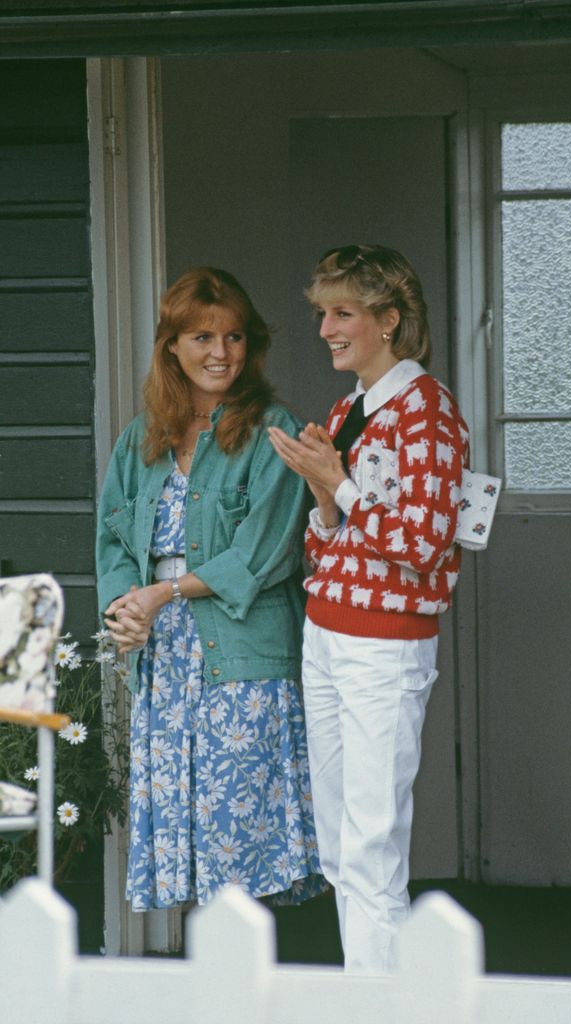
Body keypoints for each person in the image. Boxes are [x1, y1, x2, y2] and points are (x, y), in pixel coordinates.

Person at [96, 266, 325, 911]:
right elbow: (115, 538)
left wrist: (160, 597)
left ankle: (247, 992)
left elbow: (264, 551)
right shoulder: (141, 438)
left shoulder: (269, 430)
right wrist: (124, 610)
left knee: (239, 836)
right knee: (186, 836)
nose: (220, 353)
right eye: (201, 337)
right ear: (172, 345)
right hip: (162, 659)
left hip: (242, 658)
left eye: (233, 337)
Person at [268, 244, 469, 973]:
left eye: (343, 312)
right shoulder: (350, 408)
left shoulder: (428, 411)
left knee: (372, 837)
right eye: (322, 312)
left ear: (388, 320)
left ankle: (382, 1003)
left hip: (385, 646)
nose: (326, 328)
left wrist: (340, 486)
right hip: (327, 634)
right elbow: (332, 548)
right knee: (338, 838)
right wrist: (325, 498)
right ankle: (366, 990)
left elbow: (421, 542)